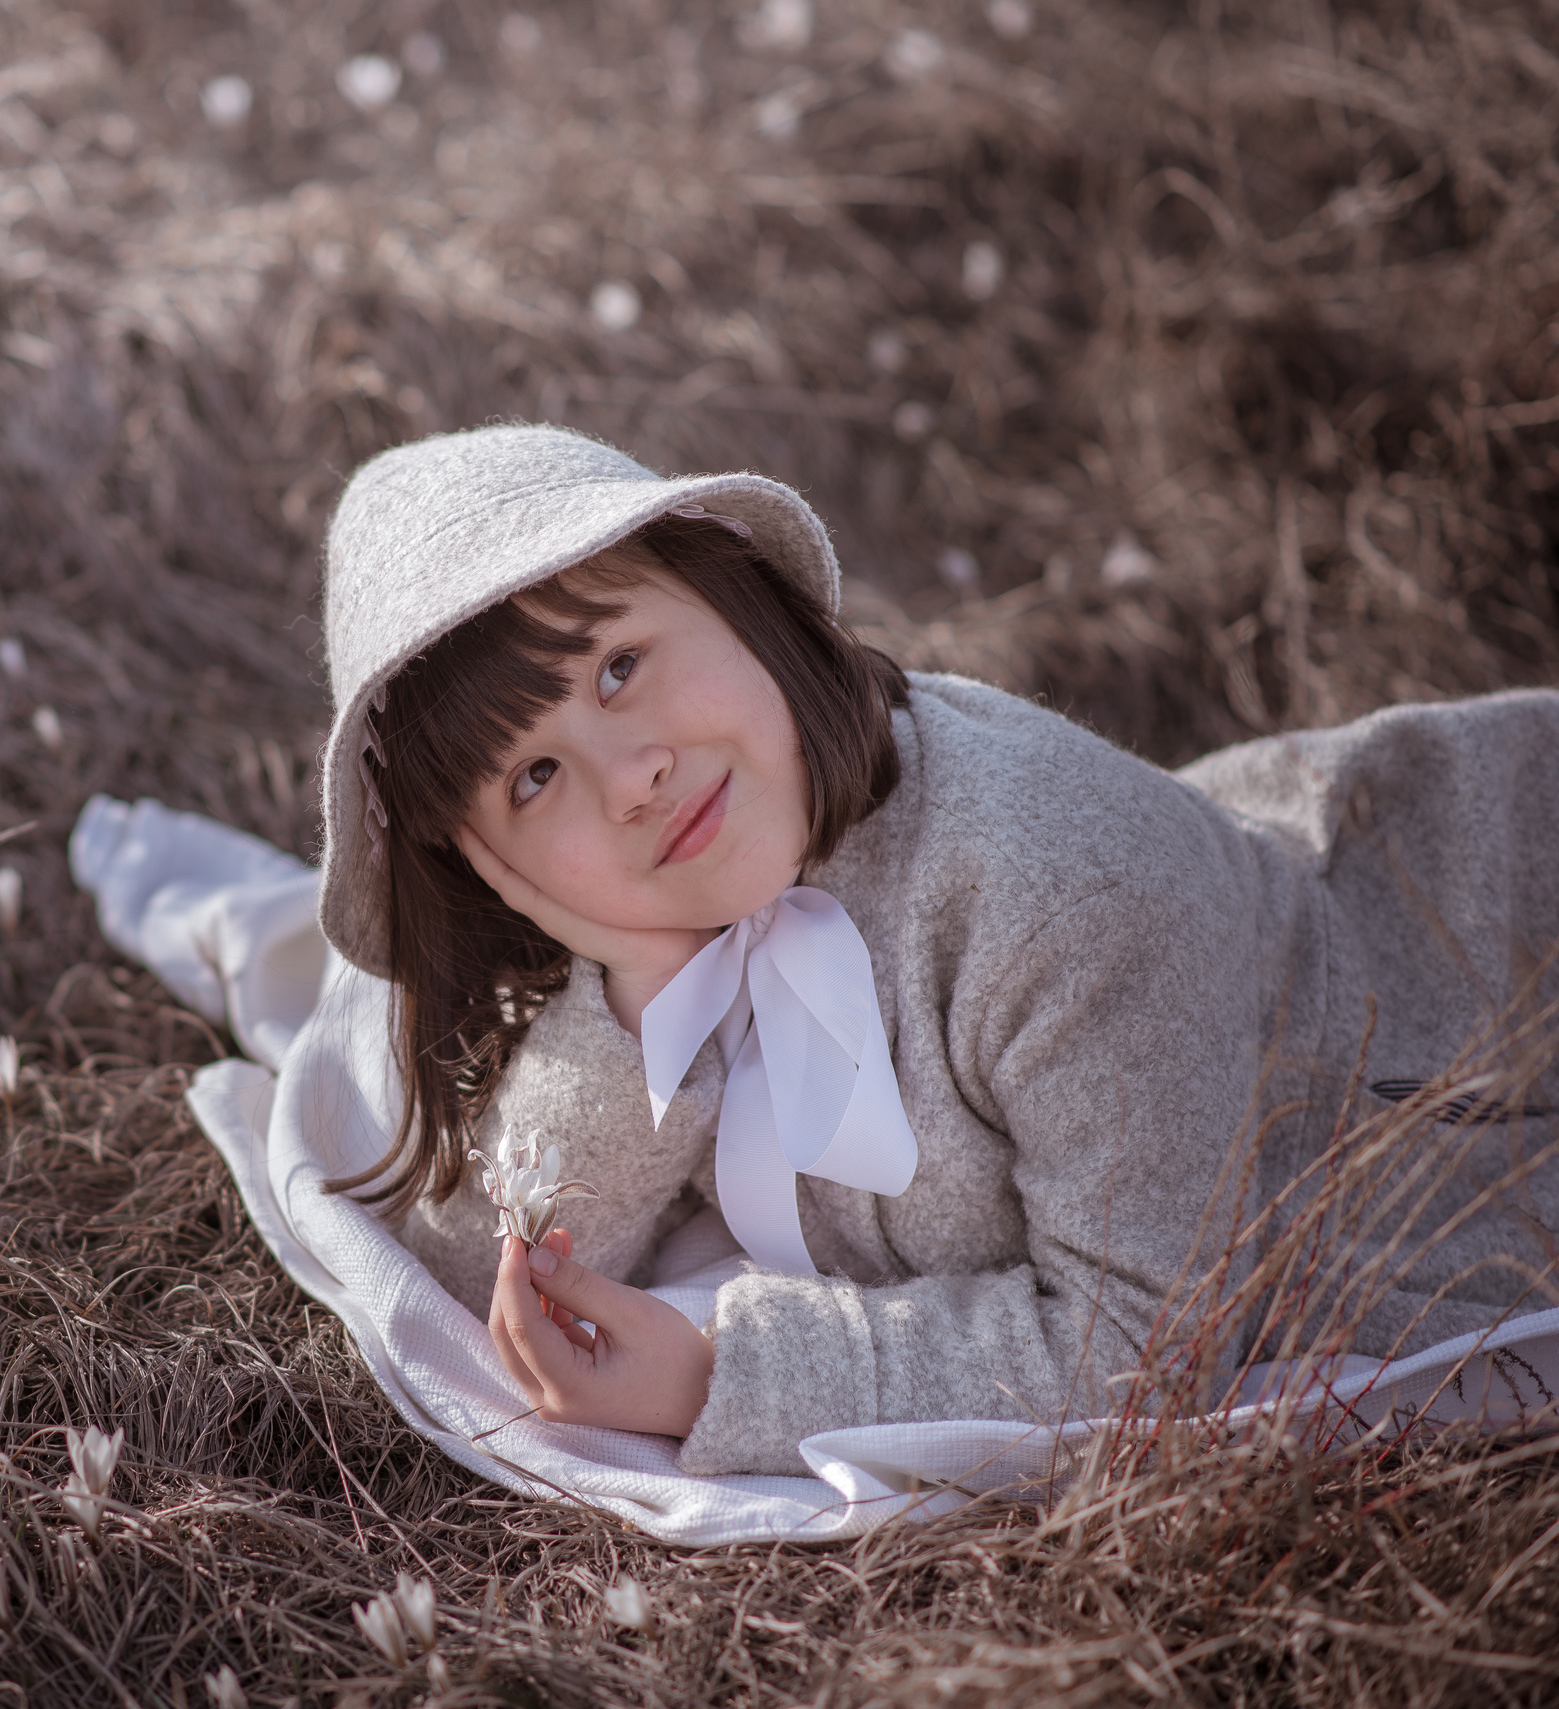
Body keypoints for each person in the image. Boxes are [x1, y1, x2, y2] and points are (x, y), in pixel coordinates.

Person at [279, 423, 1559, 1477]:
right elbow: (450, 1288)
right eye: (535, 775)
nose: (630, 779)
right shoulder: (650, 901)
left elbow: (1156, 1345)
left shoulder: (1053, 891)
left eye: (619, 666)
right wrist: (631, 988)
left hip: (1476, 1007)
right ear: (488, 864)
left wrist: (724, 1373)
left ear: (738, 602)